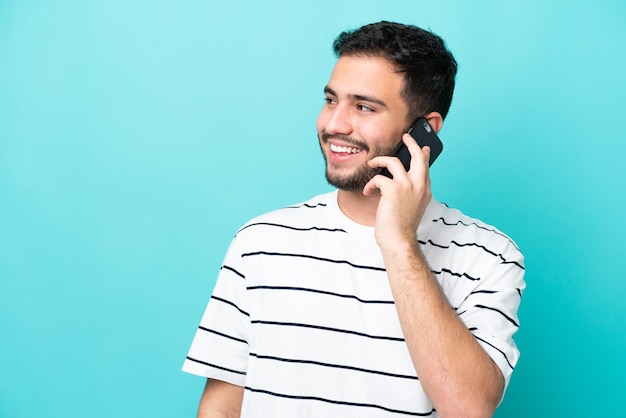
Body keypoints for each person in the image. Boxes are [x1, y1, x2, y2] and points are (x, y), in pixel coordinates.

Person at [182, 21, 525, 418]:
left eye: (363, 107)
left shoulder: (488, 256)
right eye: (331, 100)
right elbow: (223, 406)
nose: (333, 125)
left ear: (424, 131)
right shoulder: (260, 242)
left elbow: (468, 408)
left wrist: (398, 244)